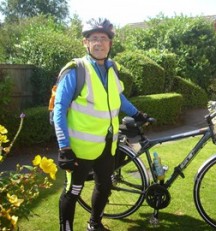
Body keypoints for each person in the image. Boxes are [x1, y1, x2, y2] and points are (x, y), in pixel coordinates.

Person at [53, 18, 149, 231]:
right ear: (85, 43)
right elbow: (59, 109)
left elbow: (119, 97)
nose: (99, 43)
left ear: (110, 43)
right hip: (80, 150)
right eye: (94, 38)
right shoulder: (75, 70)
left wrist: (137, 114)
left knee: (104, 187)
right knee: (73, 191)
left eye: (103, 38)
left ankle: (94, 224)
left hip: (108, 145)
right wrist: (64, 148)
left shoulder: (112, 68)